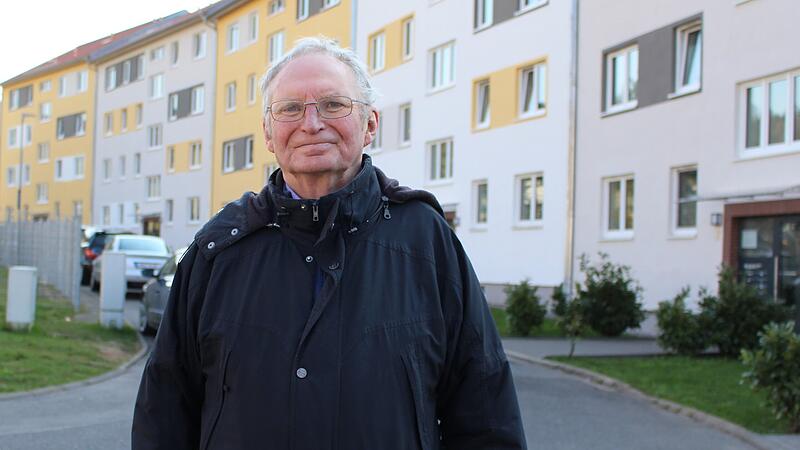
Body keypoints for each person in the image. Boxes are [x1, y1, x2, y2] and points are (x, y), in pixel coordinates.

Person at [132, 37, 526, 450]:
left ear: (371, 124)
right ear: (268, 133)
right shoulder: (219, 248)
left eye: (334, 105)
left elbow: (486, 415)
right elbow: (164, 411)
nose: (311, 123)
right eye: (289, 109)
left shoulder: (426, 241)